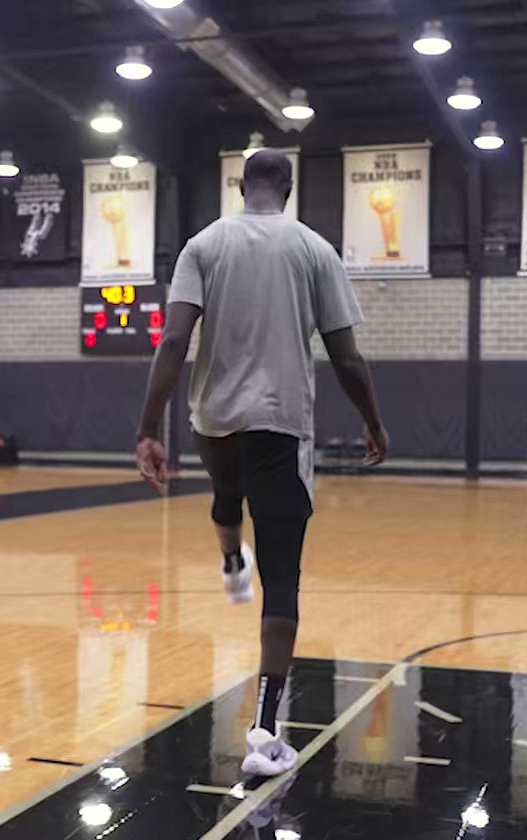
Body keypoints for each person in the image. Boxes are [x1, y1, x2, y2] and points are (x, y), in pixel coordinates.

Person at [136, 150, 388, 777]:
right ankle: (264, 735)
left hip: (211, 421)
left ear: (240, 185)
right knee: (282, 575)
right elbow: (347, 358)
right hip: (279, 424)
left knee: (226, 498)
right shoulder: (314, 250)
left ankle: (227, 562)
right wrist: (373, 421)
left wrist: (147, 429)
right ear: (291, 188)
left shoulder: (203, 244)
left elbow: (172, 341)